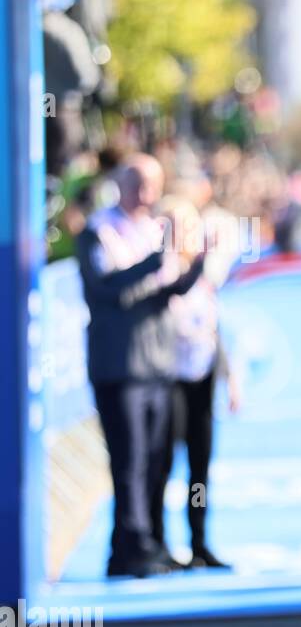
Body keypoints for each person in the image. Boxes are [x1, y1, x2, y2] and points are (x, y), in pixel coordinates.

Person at [77, 154, 206, 577]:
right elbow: (107, 289)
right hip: (121, 365)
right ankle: (130, 548)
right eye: (138, 184)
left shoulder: (154, 229)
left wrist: (198, 262)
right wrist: (152, 262)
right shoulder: (99, 231)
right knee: (128, 461)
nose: (147, 195)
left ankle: (148, 541)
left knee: (156, 460)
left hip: (158, 362)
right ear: (122, 184)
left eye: (153, 185)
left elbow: (168, 290)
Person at [154, 197, 238, 569]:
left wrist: (231, 377)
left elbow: (213, 326)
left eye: (189, 225)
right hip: (170, 379)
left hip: (201, 379)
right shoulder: (160, 268)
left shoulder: (204, 275)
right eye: (177, 225)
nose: (186, 234)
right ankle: (159, 540)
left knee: (199, 468)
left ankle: (199, 540)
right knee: (164, 465)